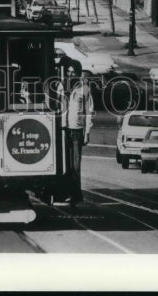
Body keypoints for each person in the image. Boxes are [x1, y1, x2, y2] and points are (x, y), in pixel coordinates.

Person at [61, 60, 94, 206]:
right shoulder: (61, 86)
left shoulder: (84, 89)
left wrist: (87, 133)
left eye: (73, 72)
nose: (70, 74)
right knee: (64, 164)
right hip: (63, 129)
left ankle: (76, 194)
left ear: (78, 73)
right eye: (68, 72)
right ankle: (66, 192)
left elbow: (89, 112)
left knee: (75, 164)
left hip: (77, 130)